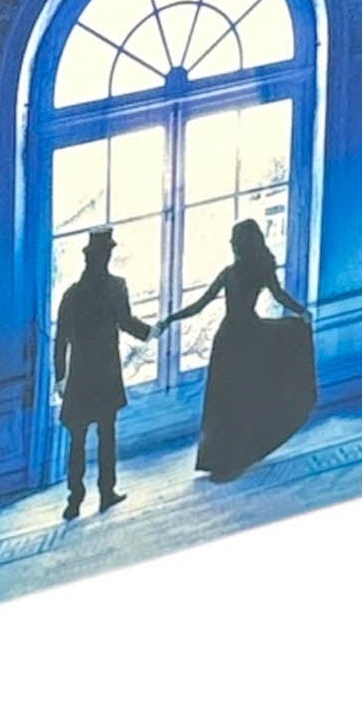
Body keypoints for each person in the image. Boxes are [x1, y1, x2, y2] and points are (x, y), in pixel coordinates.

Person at [157, 218, 316, 481]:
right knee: (244, 399)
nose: (230, 243)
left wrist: (169, 320)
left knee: (224, 401)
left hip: (228, 339)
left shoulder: (229, 273)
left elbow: (199, 306)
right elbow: (279, 296)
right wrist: (302, 312)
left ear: (240, 245)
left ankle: (221, 458)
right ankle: (238, 455)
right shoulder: (261, 270)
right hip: (249, 337)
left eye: (234, 240)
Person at [54, 225, 152, 519]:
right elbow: (126, 322)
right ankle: (106, 492)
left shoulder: (72, 295)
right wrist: (150, 332)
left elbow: (60, 340)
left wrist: (60, 377)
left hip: (80, 376)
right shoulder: (116, 287)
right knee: (107, 435)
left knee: (77, 440)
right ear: (106, 256)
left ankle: (74, 500)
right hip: (106, 373)